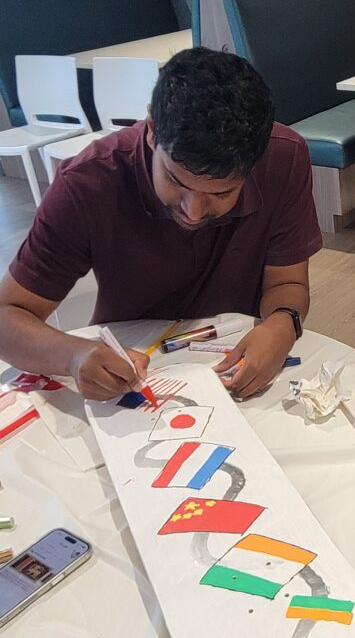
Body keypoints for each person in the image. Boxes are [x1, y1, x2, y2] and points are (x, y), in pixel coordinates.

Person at [0, 47, 322, 401]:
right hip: (129, 370)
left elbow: (287, 282)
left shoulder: (284, 157)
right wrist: (74, 355)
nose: (194, 211)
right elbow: (7, 318)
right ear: (152, 131)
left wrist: (282, 324)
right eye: (177, 181)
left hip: (233, 359)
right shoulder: (88, 182)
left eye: (221, 193)